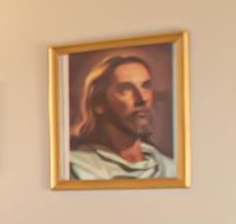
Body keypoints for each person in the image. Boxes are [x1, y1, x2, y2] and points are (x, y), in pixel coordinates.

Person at [67, 52, 176, 180]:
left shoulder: (168, 168)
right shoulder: (77, 168)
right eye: (125, 90)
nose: (142, 99)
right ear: (98, 103)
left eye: (145, 86)